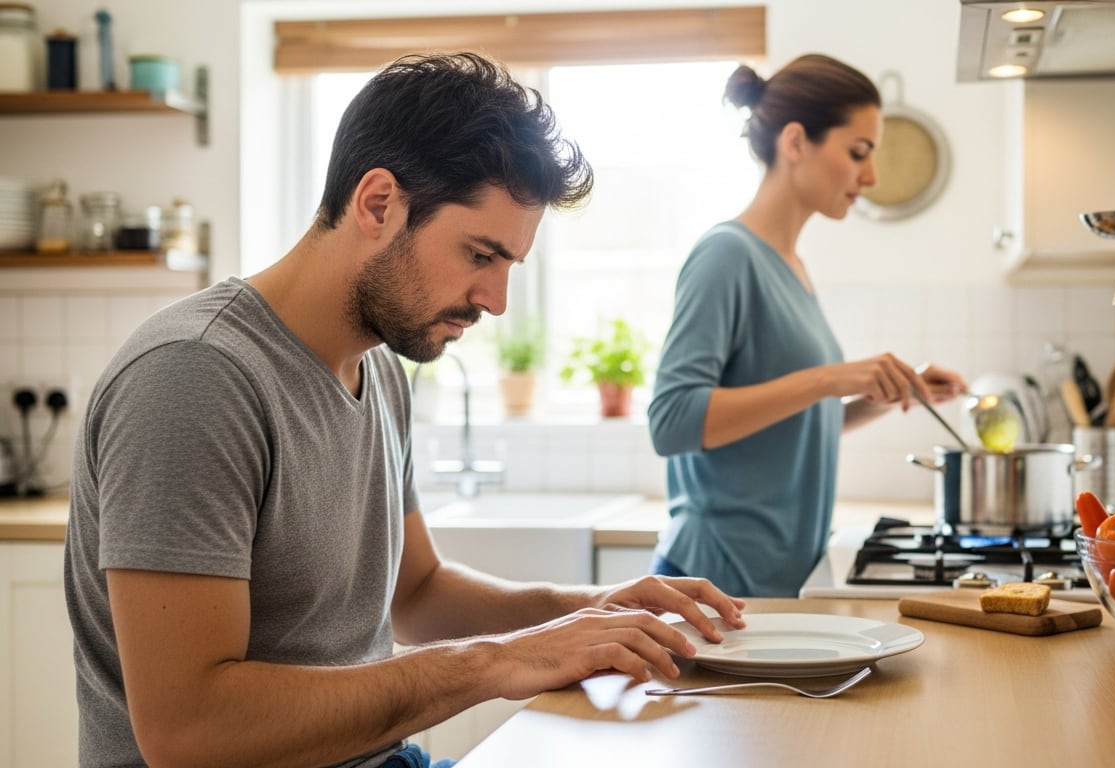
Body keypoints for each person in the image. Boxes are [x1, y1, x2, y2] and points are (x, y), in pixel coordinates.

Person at [63, 52, 746, 768]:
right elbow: (190, 732)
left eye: (510, 265)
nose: (497, 300)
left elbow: (417, 594)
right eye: (481, 254)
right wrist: (495, 662)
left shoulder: (380, 366)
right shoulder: (195, 376)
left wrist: (593, 611)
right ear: (378, 204)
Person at [646, 54, 967, 598]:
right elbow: (672, 423)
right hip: (713, 580)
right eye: (858, 152)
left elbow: (788, 429)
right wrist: (830, 378)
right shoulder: (727, 254)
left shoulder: (791, 266)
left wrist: (884, 393)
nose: (871, 176)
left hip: (771, 582)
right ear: (795, 142)